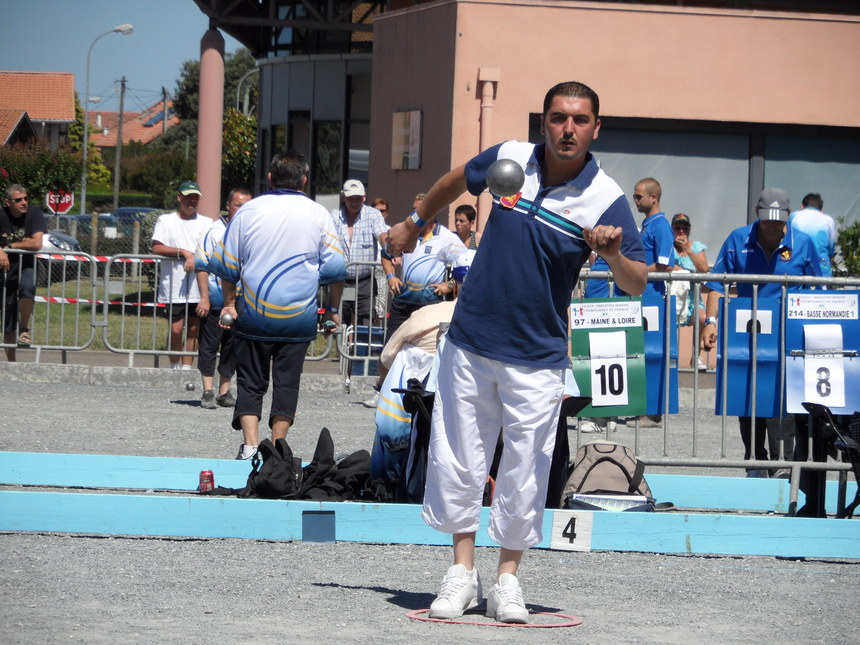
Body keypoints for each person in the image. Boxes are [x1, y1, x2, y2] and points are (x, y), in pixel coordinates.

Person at [385, 81, 646, 624]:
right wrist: (416, 223)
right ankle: (460, 572)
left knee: (525, 469)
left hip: (538, 355)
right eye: (557, 118)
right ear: (543, 123)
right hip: (471, 340)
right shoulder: (509, 159)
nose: (567, 129)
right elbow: (459, 177)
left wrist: (614, 253)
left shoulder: (607, 198)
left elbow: (638, 282)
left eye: (579, 120)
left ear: (596, 128)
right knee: (458, 457)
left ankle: (507, 579)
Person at [208, 150, 346, 460]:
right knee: (287, 383)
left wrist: (229, 304)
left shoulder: (247, 212)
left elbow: (226, 266)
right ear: (304, 180)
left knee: (251, 382)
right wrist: (332, 308)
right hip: (298, 316)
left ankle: (250, 445)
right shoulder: (318, 214)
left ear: (270, 178)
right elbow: (337, 268)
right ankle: (278, 445)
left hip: (254, 314)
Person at [702, 187, 822, 477]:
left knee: (782, 399)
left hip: (788, 335)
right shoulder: (737, 239)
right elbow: (718, 283)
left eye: (777, 219)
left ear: (787, 217)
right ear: (757, 214)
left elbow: (819, 288)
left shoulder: (803, 244)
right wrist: (711, 322)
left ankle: (783, 464)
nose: (771, 224)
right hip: (748, 333)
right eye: (766, 218)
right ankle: (755, 461)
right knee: (748, 397)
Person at [369, 250, 475, 496]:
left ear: (455, 285)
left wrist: (382, 381)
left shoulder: (429, 314)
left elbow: (387, 355)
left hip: (418, 400)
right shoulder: (496, 321)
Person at [193, 187, 252, 409]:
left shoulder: (250, 232)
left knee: (233, 347)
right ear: (228, 205)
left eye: (247, 205)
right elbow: (201, 266)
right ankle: (207, 390)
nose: (242, 210)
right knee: (209, 345)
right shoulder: (214, 231)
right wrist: (204, 298)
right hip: (217, 299)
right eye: (238, 205)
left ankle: (224, 391)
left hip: (240, 301)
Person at [151, 181, 211, 370]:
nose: (191, 200)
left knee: (194, 328)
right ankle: (174, 365)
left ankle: (186, 369)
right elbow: (156, 247)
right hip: (174, 284)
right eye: (188, 197)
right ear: (179, 197)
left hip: (198, 285)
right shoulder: (166, 220)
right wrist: (184, 252)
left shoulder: (206, 223)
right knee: (176, 329)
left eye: (195, 197)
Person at [329, 180, 388, 327]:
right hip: (339, 280)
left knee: (365, 322)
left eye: (357, 198)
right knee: (339, 323)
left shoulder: (373, 215)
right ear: (343, 197)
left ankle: (363, 350)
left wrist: (390, 248)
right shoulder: (334, 216)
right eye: (350, 198)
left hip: (365, 280)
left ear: (364, 197)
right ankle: (341, 350)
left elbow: (382, 235)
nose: (354, 201)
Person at [0, 184, 47, 361]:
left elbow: (36, 244)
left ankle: (24, 328)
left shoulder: (34, 214)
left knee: (28, 288)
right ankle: (11, 361)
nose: (23, 202)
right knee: (8, 315)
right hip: (4, 271)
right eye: (18, 200)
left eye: (26, 198)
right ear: (8, 202)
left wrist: (9, 247)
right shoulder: (1, 215)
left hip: (25, 265)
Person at [671, 212, 709, 371]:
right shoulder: (667, 246)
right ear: (672, 229)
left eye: (685, 228)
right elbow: (664, 265)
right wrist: (683, 271)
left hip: (693, 297)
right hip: (674, 295)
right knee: (669, 322)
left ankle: (696, 356)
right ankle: (671, 355)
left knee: (702, 318)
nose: (681, 231)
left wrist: (687, 249)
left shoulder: (696, 247)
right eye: (678, 228)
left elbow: (704, 268)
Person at [789, 193, 837, 278]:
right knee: (822, 291)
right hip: (821, 267)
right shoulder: (828, 220)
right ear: (821, 209)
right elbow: (831, 246)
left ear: (802, 206)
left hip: (797, 264)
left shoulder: (793, 216)